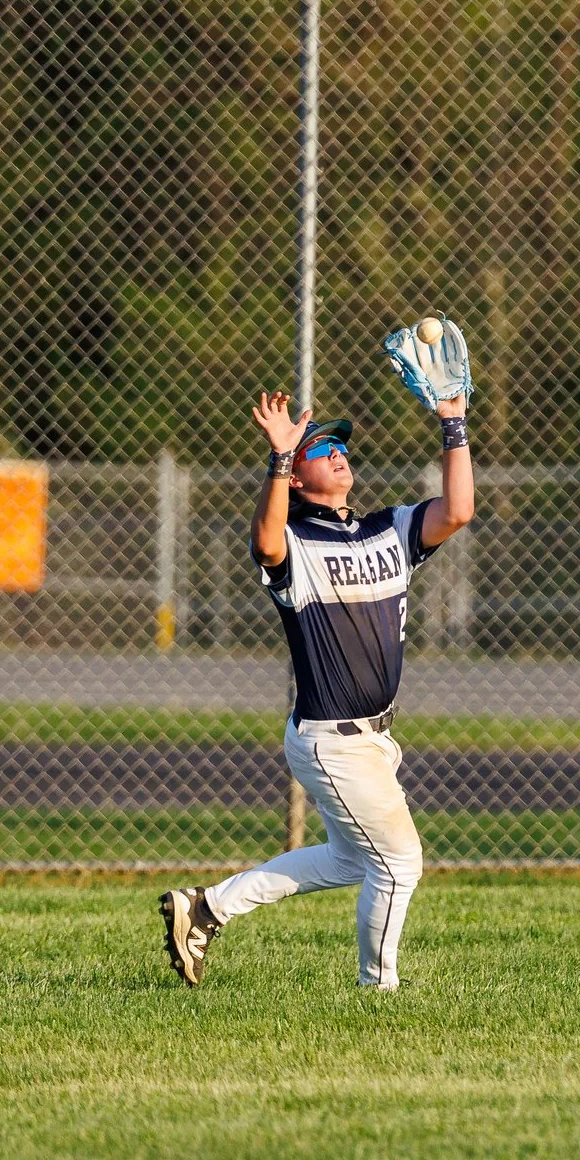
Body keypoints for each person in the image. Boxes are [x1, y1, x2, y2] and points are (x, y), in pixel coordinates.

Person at [159, 382, 473, 989]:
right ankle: (377, 990)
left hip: (374, 739)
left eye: (338, 444)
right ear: (298, 480)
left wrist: (453, 423)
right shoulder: (298, 547)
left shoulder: (389, 531)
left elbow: (457, 510)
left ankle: (207, 907)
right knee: (400, 862)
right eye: (320, 447)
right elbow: (266, 542)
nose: (336, 452)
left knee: (349, 859)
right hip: (332, 741)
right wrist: (279, 459)